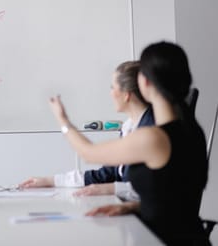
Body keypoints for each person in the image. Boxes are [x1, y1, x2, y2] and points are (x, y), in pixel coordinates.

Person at [48, 41, 209, 245]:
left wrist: (62, 120)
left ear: (145, 82)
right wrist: (132, 207)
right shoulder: (192, 130)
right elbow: (174, 197)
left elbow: (88, 153)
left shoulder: (154, 138)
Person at [19, 61, 154, 200]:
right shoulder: (129, 127)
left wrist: (62, 119)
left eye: (112, 87)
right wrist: (50, 181)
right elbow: (107, 175)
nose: (110, 93)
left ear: (127, 95)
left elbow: (158, 188)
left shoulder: (151, 128)